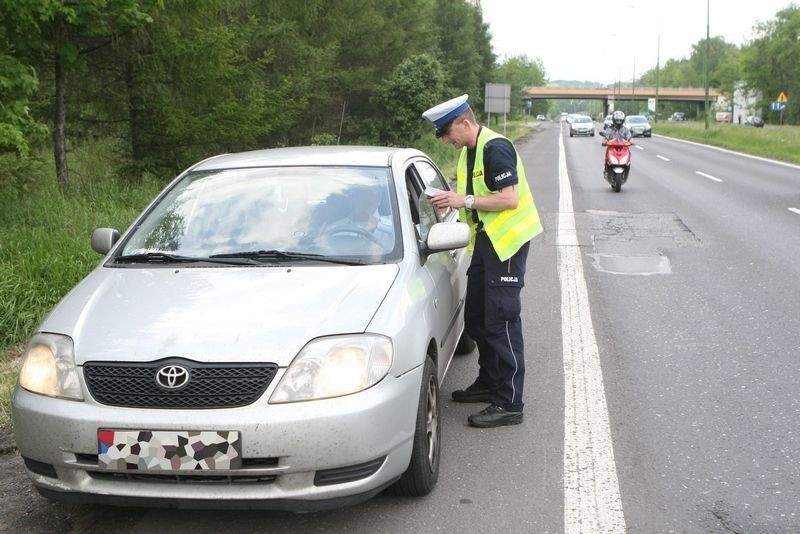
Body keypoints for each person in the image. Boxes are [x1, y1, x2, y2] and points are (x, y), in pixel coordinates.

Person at [421, 94, 543, 428]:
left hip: (507, 246)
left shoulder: (495, 147)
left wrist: (464, 199)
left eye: (447, 132)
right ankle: (489, 381)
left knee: (501, 322)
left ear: (464, 122)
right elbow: (471, 195)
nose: (446, 140)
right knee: (475, 318)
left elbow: (509, 198)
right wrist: (451, 205)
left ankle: (509, 402)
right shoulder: (468, 153)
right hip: (485, 244)